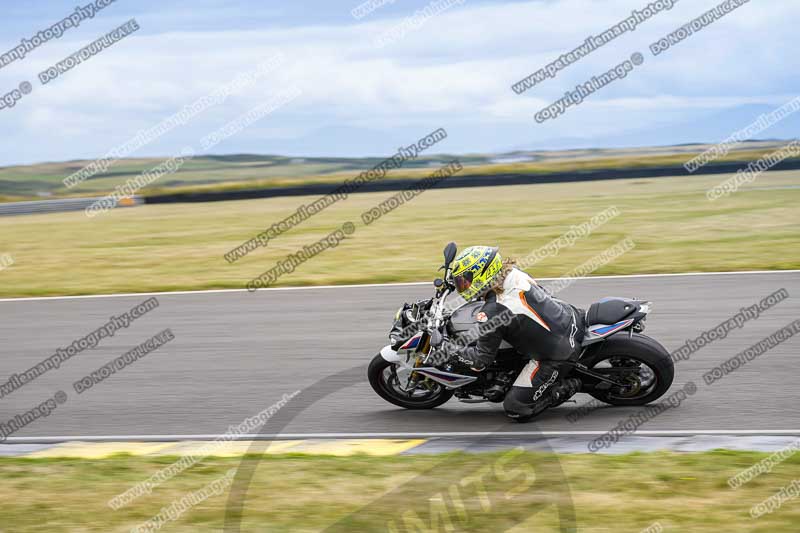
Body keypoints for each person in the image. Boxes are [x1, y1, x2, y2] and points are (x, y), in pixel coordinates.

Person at [441, 245, 585, 421]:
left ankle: (566, 387)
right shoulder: (512, 273)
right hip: (569, 316)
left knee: (515, 407)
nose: (462, 286)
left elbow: (480, 360)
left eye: (465, 281)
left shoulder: (493, 311)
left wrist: (447, 349)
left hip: (558, 353)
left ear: (483, 275)